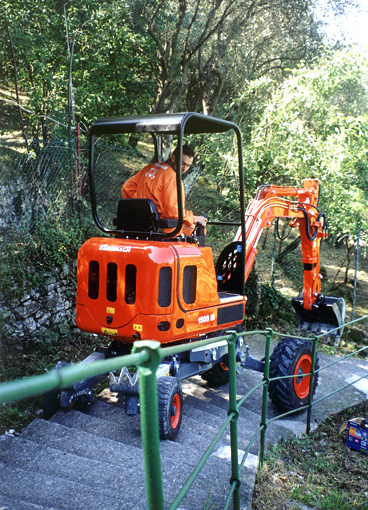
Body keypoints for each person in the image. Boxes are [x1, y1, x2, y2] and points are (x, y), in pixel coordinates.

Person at [122, 144, 207, 235]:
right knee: (199, 230)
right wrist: (193, 218)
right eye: (182, 163)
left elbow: (127, 188)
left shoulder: (150, 168)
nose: (184, 169)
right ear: (173, 158)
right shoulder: (173, 178)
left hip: (139, 222)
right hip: (161, 228)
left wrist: (140, 207)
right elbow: (174, 214)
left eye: (188, 166)